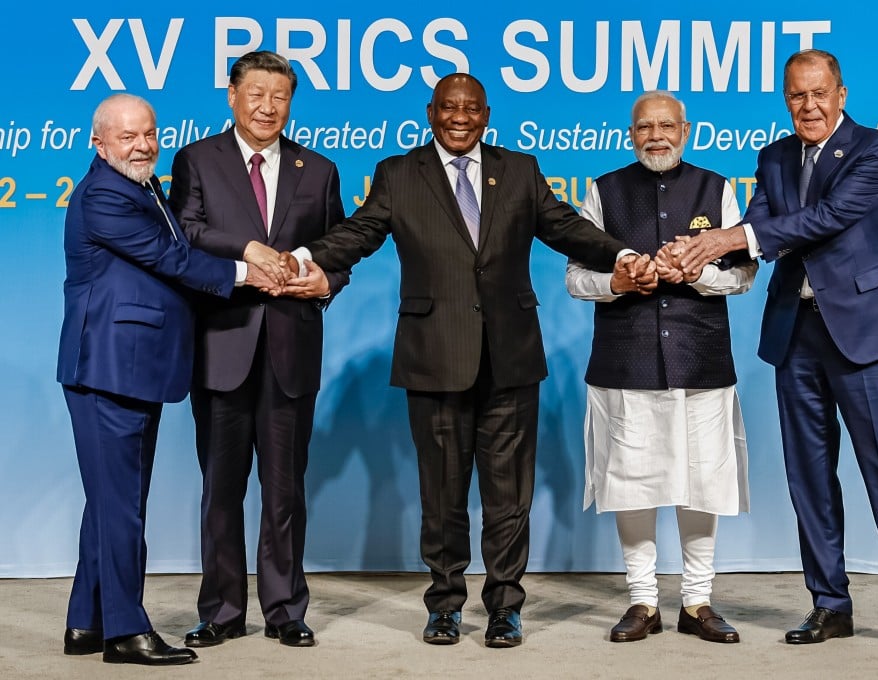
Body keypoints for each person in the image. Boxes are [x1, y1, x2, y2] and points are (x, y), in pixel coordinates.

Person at [282, 72, 629, 648]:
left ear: (486, 114)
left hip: (511, 358)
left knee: (508, 495)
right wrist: (303, 258)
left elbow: (566, 227)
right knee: (441, 494)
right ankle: (443, 605)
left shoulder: (519, 169)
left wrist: (622, 252)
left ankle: (505, 607)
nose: (459, 118)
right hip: (434, 357)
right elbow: (360, 232)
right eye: (448, 108)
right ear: (431, 111)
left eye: (470, 108)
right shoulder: (399, 173)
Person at [667, 49, 878, 654]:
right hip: (795, 335)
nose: (809, 106)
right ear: (785, 100)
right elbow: (755, 234)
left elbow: (828, 217)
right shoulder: (773, 156)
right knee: (809, 479)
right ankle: (830, 604)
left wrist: (731, 236)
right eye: (797, 96)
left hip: (866, 333)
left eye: (819, 93)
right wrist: (688, 256)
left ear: (841, 94)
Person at [58, 94, 276, 665]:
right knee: (122, 504)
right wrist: (245, 272)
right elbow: (169, 258)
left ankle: (87, 621)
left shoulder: (144, 187)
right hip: (108, 369)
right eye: (127, 136)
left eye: (149, 134)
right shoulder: (106, 192)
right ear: (98, 143)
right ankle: (127, 632)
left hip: (135, 368)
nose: (142, 145)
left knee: (110, 501)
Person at [168, 51, 347, 648]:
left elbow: (336, 248)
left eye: (280, 96)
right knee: (221, 488)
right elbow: (187, 230)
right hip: (222, 345)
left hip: (291, 351)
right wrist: (249, 249)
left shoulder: (317, 170)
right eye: (257, 94)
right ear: (232, 96)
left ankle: (285, 610)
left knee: (284, 488)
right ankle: (220, 611)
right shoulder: (197, 159)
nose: (268, 107)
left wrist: (325, 281)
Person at [565, 91, 756, 644]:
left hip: (701, 360)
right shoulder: (604, 191)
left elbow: (743, 277)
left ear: (685, 130)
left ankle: (697, 602)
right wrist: (616, 283)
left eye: (666, 125)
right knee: (632, 483)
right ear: (631, 133)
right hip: (625, 362)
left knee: (703, 484)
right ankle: (642, 600)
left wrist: (696, 272)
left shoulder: (717, 188)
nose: (656, 135)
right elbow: (576, 278)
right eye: (645, 126)